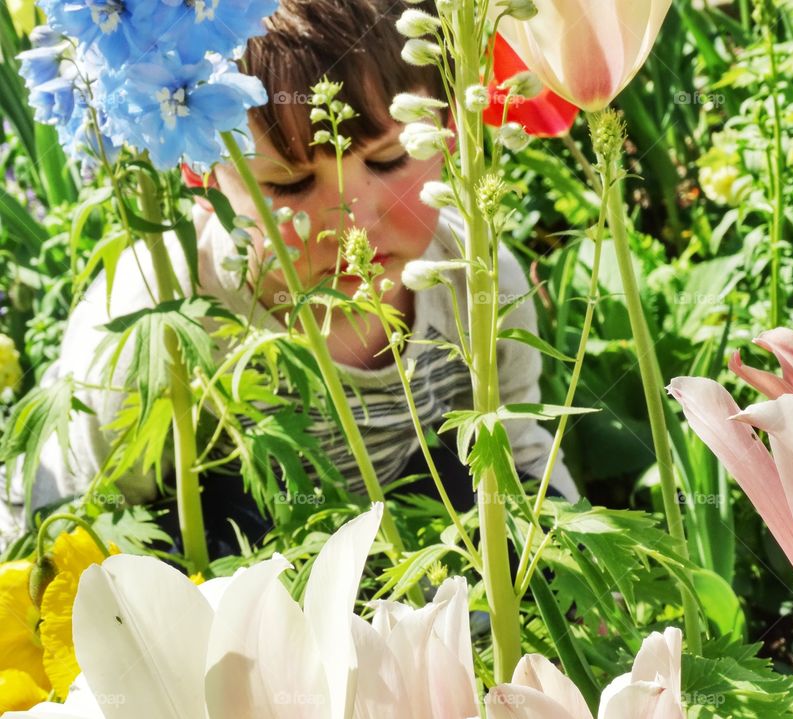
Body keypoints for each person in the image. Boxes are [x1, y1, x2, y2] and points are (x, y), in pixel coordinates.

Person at [0, 0, 577, 555]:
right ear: (201, 172)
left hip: (428, 583)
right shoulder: (152, 317)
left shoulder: (475, 279)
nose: (354, 219)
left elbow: (523, 454)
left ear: (451, 125)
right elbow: (71, 521)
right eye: (291, 184)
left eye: (388, 160)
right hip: (229, 603)